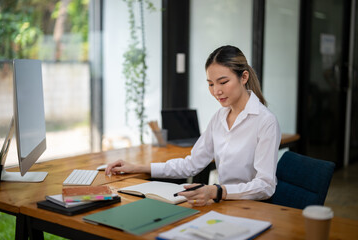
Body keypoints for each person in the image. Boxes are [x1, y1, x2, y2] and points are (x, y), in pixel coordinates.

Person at [106, 45, 281, 206]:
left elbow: (265, 186)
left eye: (223, 82)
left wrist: (216, 191)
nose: (216, 91)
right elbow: (191, 164)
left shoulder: (265, 121)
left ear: (244, 77)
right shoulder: (219, 117)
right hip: (224, 204)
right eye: (211, 84)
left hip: (252, 207)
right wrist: (137, 168)